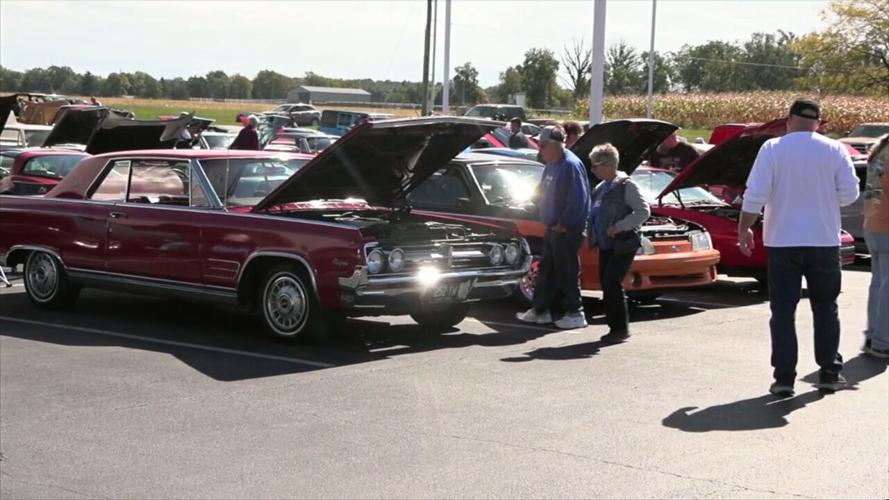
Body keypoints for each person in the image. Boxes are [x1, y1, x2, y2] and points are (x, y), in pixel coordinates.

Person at [738, 98, 860, 396]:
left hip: (782, 241)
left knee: (783, 311)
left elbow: (756, 194)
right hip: (823, 239)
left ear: (788, 120)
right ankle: (830, 371)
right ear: (818, 122)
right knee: (825, 307)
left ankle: (784, 378)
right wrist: (824, 197)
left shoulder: (772, 149)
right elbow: (850, 194)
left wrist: (743, 228)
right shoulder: (834, 149)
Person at [517, 125, 591, 329]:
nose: (540, 149)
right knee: (547, 270)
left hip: (566, 229)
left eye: (543, 145)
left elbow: (579, 200)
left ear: (556, 145)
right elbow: (542, 190)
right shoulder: (551, 164)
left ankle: (576, 312)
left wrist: (563, 224)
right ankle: (540, 310)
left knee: (567, 271)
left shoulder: (570, 165)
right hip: (551, 227)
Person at [587, 143, 651, 344]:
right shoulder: (600, 188)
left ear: (606, 165)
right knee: (607, 284)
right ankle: (615, 327)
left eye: (595, 166)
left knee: (612, 283)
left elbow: (643, 211)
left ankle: (620, 329)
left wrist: (620, 226)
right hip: (605, 245)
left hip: (623, 243)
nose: (592, 170)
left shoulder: (626, 185)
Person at [862, 134, 889, 358]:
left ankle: (872, 335)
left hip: (872, 223)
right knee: (886, 287)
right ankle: (882, 342)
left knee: (878, 283)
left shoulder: (879, 151)